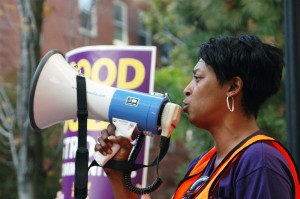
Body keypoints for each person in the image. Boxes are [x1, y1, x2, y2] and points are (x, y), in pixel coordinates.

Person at [94, 34, 300, 199]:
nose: (187, 89)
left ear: (233, 86)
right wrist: (118, 169)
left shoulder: (260, 162)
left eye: (198, 78)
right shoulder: (202, 165)